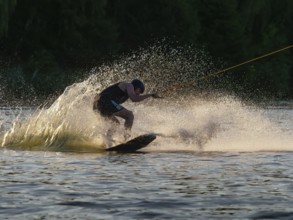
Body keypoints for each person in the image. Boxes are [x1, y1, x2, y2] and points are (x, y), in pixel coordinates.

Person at [93, 79, 161, 139]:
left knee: (115, 123)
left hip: (97, 105)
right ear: (135, 86)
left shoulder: (125, 94)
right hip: (105, 101)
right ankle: (126, 138)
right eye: (139, 91)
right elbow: (134, 98)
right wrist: (150, 95)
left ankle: (107, 140)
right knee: (129, 116)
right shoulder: (129, 85)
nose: (139, 94)